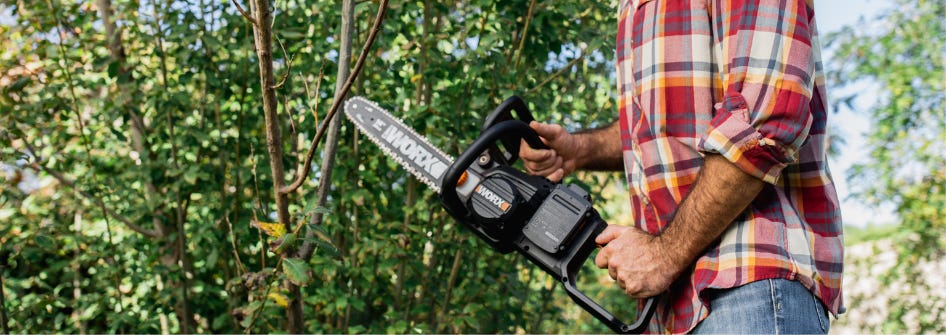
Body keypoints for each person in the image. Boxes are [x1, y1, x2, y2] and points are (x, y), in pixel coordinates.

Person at [519, 0, 844, 333]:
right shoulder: (634, 7)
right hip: (674, 308)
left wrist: (663, 255)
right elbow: (664, 123)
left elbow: (766, 120)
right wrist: (578, 150)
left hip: (749, 284)